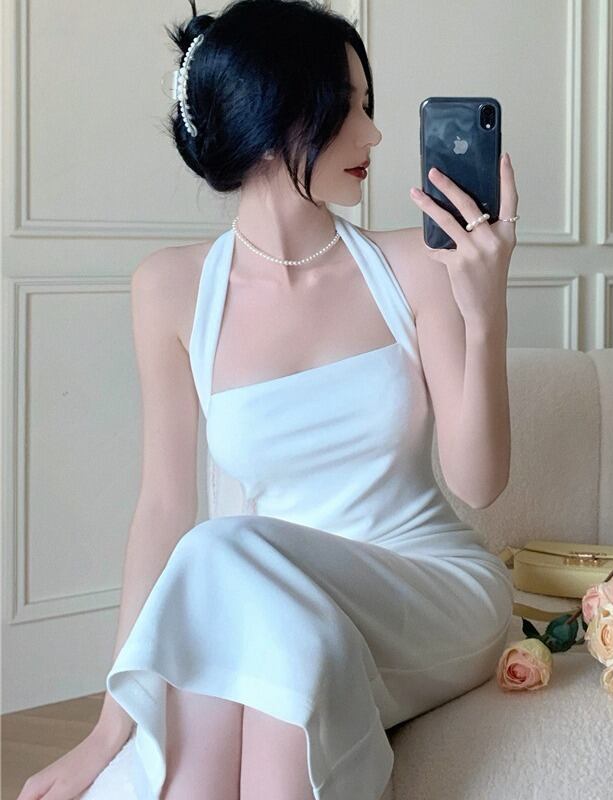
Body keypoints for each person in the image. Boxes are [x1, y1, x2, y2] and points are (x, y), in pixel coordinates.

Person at [17, 0, 519, 798]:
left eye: (370, 106)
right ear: (271, 118)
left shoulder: (414, 268)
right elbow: (161, 509)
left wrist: (484, 312)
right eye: (348, 108)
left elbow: (479, 484)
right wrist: (108, 730)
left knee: (222, 553)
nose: (374, 135)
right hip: (291, 621)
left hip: (430, 596)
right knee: (267, 626)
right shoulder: (170, 289)